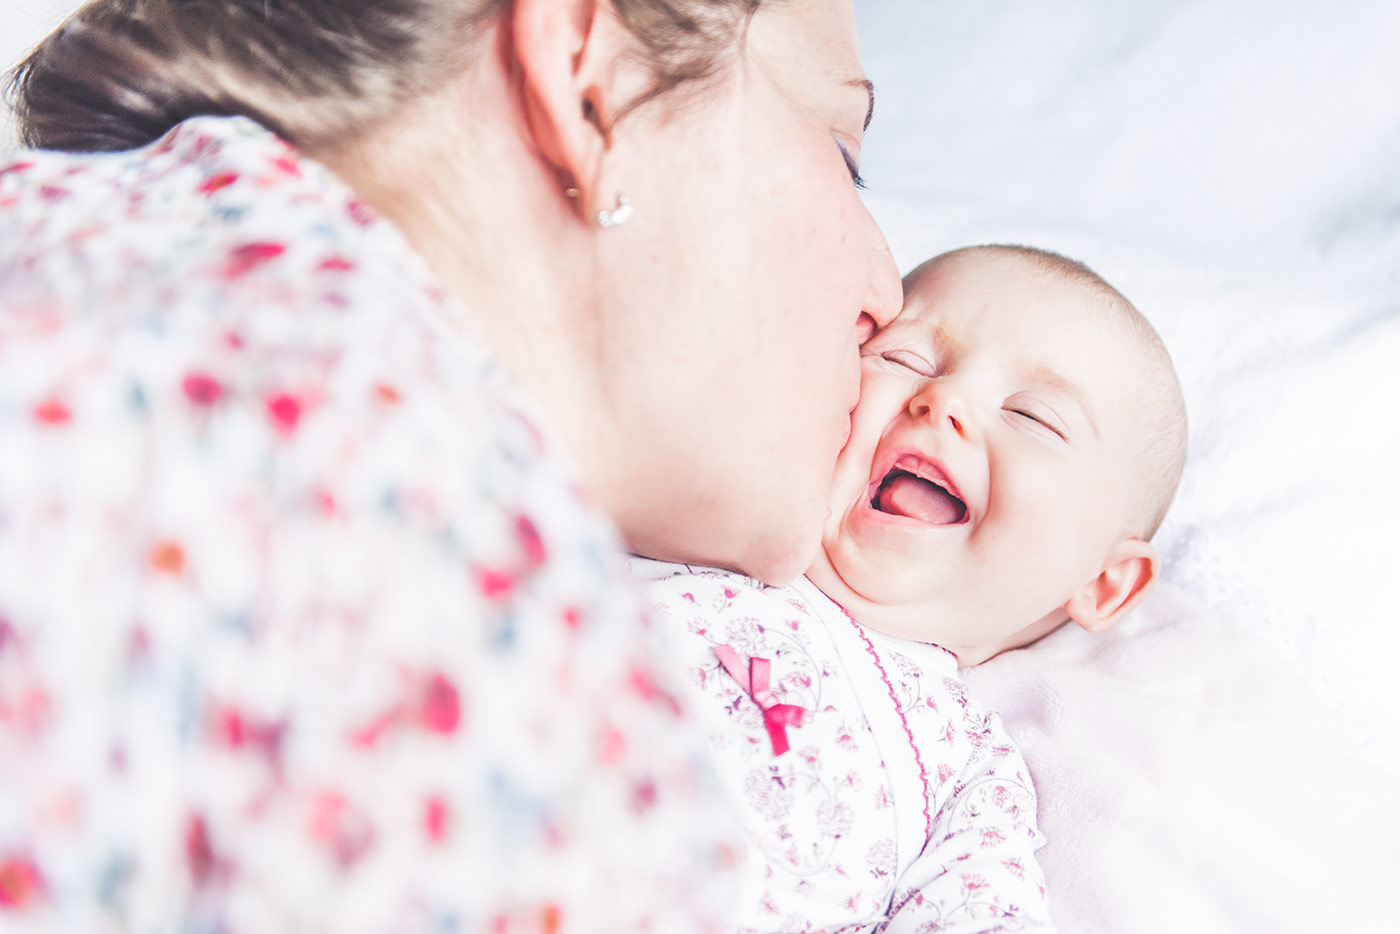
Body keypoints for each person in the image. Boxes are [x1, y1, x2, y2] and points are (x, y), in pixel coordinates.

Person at [0, 0, 901, 930]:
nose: (893, 294)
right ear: (596, 83)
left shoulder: (70, 247)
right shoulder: (520, 683)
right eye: (847, 158)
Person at [633, 244, 1188, 932]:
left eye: (1033, 417)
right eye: (905, 360)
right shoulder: (701, 521)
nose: (944, 400)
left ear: (1102, 585)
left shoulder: (967, 768)